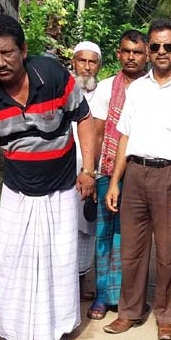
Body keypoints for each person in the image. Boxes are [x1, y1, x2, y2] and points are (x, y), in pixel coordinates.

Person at [0, 14, 96, 340]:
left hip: (61, 188)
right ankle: (11, 330)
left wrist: (88, 171)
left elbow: (84, 120)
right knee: (11, 261)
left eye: (7, 52)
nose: (0, 62)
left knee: (59, 262)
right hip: (17, 190)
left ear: (23, 50)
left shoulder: (52, 76)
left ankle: (58, 333)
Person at [103, 19, 171, 340]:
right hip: (135, 173)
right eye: (155, 46)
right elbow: (124, 137)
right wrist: (114, 182)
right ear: (148, 50)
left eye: (167, 46)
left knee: (169, 250)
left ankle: (167, 315)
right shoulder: (137, 89)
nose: (161, 52)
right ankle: (129, 312)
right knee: (132, 249)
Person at [86, 30, 149, 320]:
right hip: (107, 169)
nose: (132, 57)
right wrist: (94, 172)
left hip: (139, 172)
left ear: (146, 54)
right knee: (104, 232)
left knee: (131, 237)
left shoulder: (152, 89)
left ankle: (126, 297)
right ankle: (101, 296)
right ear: (118, 54)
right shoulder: (106, 88)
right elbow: (97, 132)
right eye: (127, 51)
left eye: (137, 52)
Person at [71, 41, 101, 280]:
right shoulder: (62, 89)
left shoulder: (104, 94)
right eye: (83, 60)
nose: (87, 67)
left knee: (86, 226)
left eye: (92, 62)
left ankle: (81, 278)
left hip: (92, 171)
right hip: (62, 171)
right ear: (74, 62)